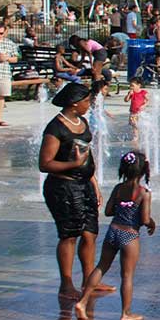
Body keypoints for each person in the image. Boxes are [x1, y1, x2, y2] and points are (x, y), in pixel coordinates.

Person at [39, 82, 113, 300]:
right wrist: (73, 165)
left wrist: (95, 184)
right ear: (73, 103)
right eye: (86, 101)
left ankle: (89, 280)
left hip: (84, 185)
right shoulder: (56, 128)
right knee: (70, 235)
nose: (89, 104)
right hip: (62, 187)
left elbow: (86, 157)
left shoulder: (81, 122)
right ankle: (66, 284)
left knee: (90, 233)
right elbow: (44, 164)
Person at [73, 151, 156, 320]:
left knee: (101, 267)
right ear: (143, 171)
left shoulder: (118, 189)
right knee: (127, 276)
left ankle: (82, 302)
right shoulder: (144, 193)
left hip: (113, 231)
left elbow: (108, 211)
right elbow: (145, 219)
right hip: (129, 235)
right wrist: (151, 224)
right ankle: (126, 313)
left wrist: (122, 208)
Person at [124, 78, 149, 145]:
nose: (131, 87)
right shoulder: (131, 93)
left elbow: (148, 100)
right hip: (133, 112)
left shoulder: (143, 92)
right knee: (134, 125)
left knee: (140, 124)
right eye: (130, 85)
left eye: (132, 85)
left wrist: (144, 105)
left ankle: (142, 135)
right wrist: (129, 94)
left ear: (139, 85)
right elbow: (126, 100)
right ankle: (136, 136)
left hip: (140, 112)